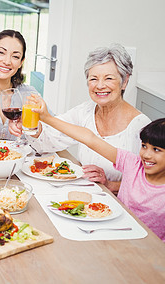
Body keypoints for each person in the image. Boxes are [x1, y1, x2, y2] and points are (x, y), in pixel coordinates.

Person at [29, 94, 165, 250]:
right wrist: (47, 118)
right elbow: (90, 138)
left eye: (156, 150)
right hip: (110, 236)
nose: (146, 154)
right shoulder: (132, 163)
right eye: (144, 146)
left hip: (147, 249)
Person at [10, 44, 151, 193]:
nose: (100, 85)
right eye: (93, 79)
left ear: (125, 81)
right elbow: (50, 140)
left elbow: (150, 184)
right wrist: (33, 127)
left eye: (109, 78)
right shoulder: (85, 111)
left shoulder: (141, 127)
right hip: (85, 194)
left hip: (118, 204)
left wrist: (109, 184)